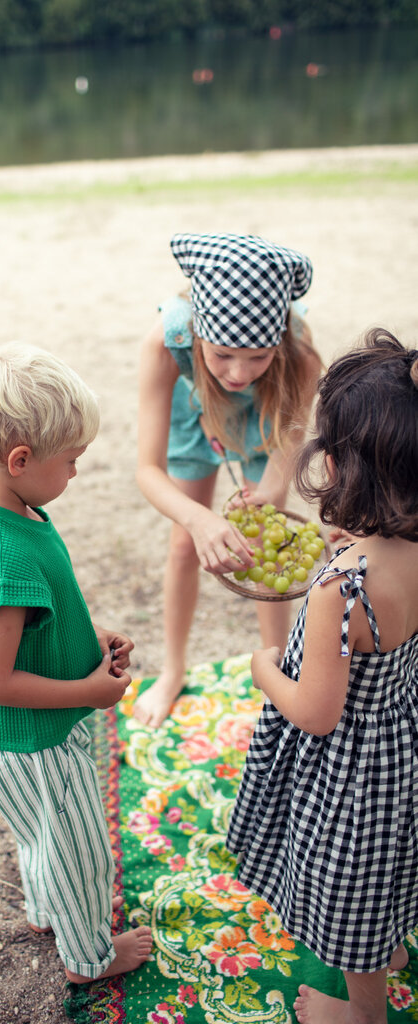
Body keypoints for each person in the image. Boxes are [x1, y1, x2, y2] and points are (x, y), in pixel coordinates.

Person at [0, 343, 153, 984]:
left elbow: (46, 614)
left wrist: (90, 637)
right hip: (35, 740)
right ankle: (90, 956)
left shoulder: (18, 513)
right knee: (78, 848)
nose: (75, 474)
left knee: (41, 833)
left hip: (22, 739)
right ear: (21, 460)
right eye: (71, 461)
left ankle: (46, 909)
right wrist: (90, 692)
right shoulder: (7, 557)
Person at [226, 328, 418, 1024]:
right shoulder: (400, 550)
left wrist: (261, 668)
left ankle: (363, 1009)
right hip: (401, 746)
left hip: (350, 774)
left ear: (336, 465)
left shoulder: (340, 586)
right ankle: (387, 943)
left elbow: (315, 712)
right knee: (390, 865)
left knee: (349, 886)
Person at [134, 233, 323, 728]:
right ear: (197, 337)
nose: (239, 372)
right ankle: (172, 669)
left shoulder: (299, 356)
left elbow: (291, 439)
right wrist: (197, 519)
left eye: (257, 357)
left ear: (277, 345)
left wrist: (269, 491)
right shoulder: (165, 343)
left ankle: (278, 668)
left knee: (265, 546)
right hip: (191, 415)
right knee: (182, 548)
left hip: (262, 420)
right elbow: (146, 469)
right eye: (222, 355)